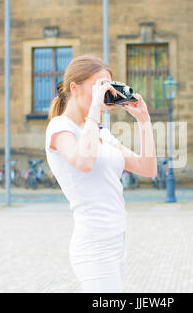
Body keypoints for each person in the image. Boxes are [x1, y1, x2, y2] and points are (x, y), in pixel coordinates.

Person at [45, 54, 157, 292]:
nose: (105, 93)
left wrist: (144, 121)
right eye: (99, 87)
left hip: (117, 238)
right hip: (94, 243)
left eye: (107, 87)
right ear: (74, 88)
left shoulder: (101, 133)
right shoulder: (60, 128)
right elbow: (84, 161)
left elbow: (147, 167)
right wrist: (95, 108)